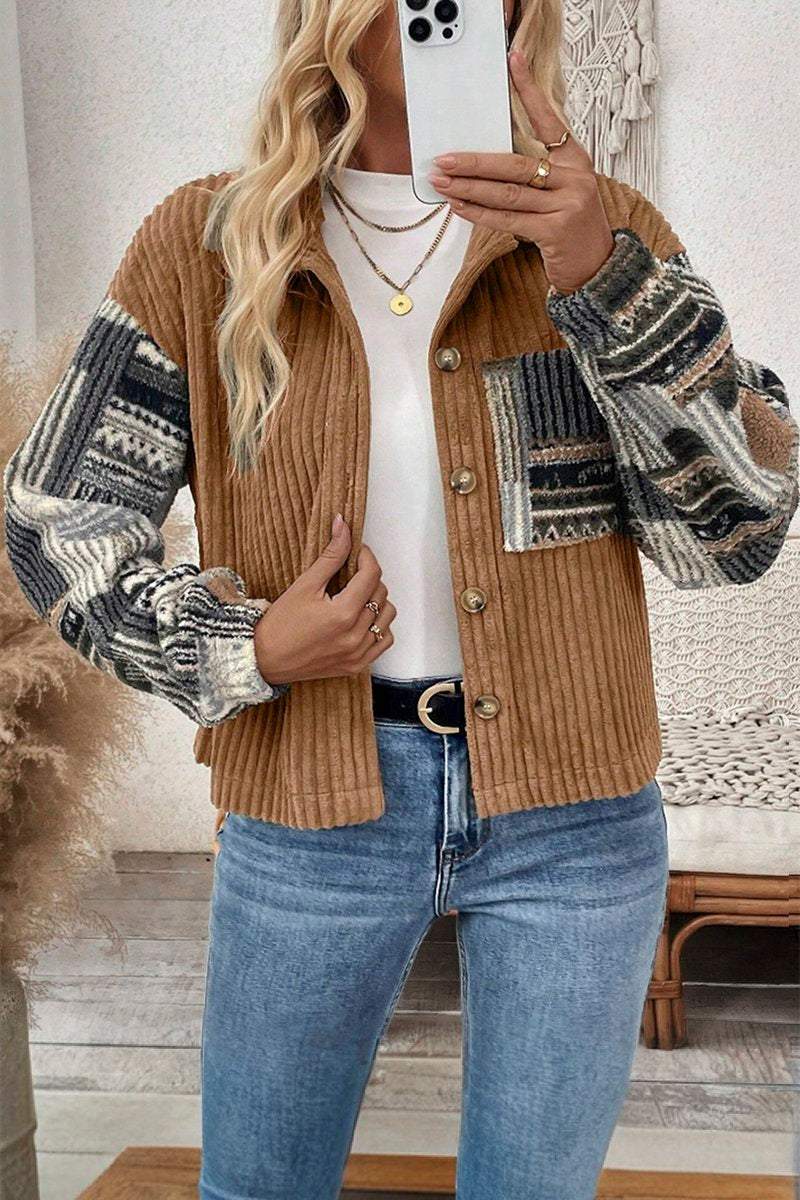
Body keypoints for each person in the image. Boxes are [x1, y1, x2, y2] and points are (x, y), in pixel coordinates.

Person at [4, 1, 798, 1197]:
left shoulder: (604, 231)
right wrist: (244, 644)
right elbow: (54, 513)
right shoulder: (207, 243)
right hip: (310, 804)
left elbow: (731, 534)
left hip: (574, 815)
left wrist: (604, 280)